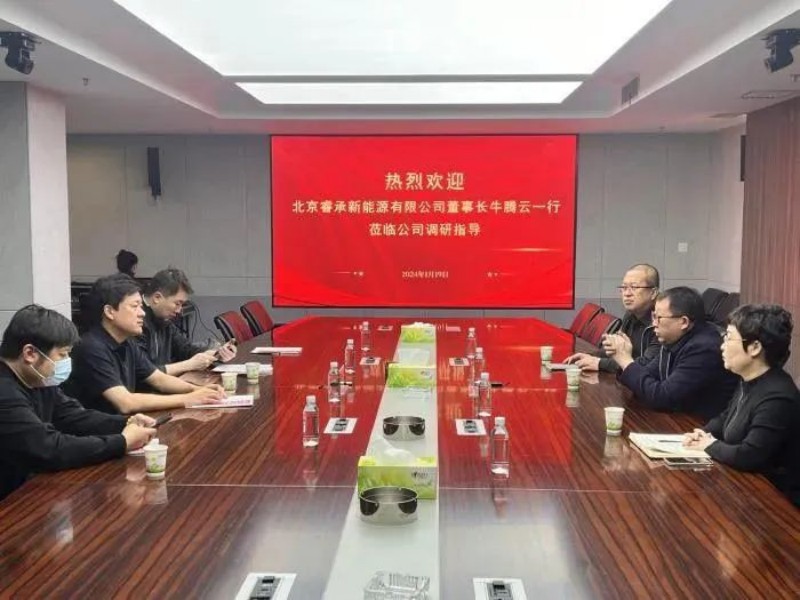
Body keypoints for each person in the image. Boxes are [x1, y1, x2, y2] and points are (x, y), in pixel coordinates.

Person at [0, 305, 156, 500]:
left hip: (27, 491)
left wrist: (126, 423)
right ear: (30, 353)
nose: (67, 361)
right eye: (62, 354)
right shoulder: (4, 392)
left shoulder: (38, 380)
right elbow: (48, 448)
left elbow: (74, 416)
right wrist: (121, 442)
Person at [683, 304, 800, 506]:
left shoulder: (778, 396)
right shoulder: (749, 379)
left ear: (754, 347)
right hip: (744, 488)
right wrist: (703, 432)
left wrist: (709, 445)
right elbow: (727, 417)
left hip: (775, 503)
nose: (722, 346)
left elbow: (750, 455)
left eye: (728, 338)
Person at [65, 274, 225, 414]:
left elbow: (159, 379)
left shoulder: (127, 342)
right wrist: (189, 398)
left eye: (141, 307)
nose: (142, 313)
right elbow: (125, 403)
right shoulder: (91, 348)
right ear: (109, 312)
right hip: (97, 434)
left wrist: (199, 390)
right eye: (134, 306)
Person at [605, 286, 738, 418]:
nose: (654, 324)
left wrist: (626, 361)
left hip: (700, 425)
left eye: (659, 318)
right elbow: (648, 374)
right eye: (653, 316)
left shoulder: (704, 348)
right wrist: (625, 360)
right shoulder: (675, 338)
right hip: (679, 419)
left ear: (684, 322)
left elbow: (662, 397)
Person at [139, 268, 236, 377]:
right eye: (177, 303)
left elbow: (185, 349)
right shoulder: (136, 323)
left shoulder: (164, 320)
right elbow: (143, 373)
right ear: (157, 298)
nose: (179, 310)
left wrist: (216, 353)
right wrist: (188, 365)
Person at [566, 263, 660, 372]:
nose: (627, 294)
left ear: (653, 293)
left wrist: (599, 363)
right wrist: (591, 356)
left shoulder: (661, 321)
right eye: (624, 287)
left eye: (634, 287)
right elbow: (616, 351)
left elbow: (645, 365)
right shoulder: (631, 315)